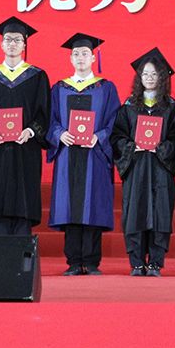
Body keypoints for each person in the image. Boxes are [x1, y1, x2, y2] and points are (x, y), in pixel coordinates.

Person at [47, 33, 119, 275]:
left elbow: (115, 120)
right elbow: (51, 120)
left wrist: (99, 136)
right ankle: (73, 262)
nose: (80, 58)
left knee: (93, 204)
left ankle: (91, 261)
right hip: (67, 155)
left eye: (85, 54)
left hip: (94, 155)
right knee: (69, 205)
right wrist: (59, 134)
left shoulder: (105, 88)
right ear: (70, 58)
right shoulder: (59, 88)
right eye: (76, 54)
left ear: (93, 57)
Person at [112, 48, 175, 275]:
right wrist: (132, 147)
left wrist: (160, 147)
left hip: (160, 169)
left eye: (154, 74)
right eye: (145, 74)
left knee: (160, 212)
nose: (150, 78)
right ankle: (136, 262)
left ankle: (155, 262)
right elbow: (117, 136)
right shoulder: (129, 106)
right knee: (135, 212)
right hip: (137, 167)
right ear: (139, 77)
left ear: (162, 77)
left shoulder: (171, 107)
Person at [0, 16, 49, 236]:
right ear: (1, 44)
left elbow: (44, 111)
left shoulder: (37, 76)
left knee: (23, 202)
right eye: (8, 39)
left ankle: (22, 249)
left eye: (17, 40)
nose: (12, 44)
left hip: (26, 148)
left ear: (24, 45)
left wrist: (31, 130)